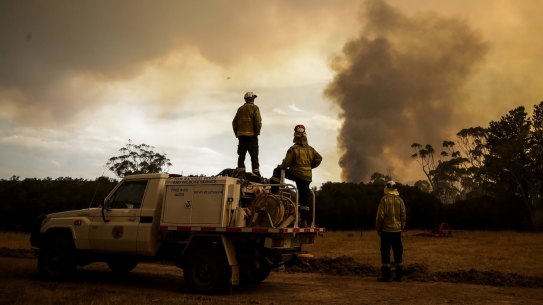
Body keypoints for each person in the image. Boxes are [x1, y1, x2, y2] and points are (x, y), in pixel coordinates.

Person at [270, 124, 322, 227]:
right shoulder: (311, 149)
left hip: (297, 174)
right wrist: (310, 167)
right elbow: (319, 158)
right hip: (307, 177)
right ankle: (304, 222)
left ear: (295, 135)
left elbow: (286, 163)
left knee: (277, 171)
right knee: (304, 198)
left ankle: (274, 195)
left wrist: (281, 166)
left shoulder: (293, 149)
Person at [375, 181, 407, 282]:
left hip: (386, 231)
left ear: (387, 188)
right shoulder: (400, 200)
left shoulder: (384, 200)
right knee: (398, 252)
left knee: (385, 252)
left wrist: (378, 228)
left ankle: (386, 276)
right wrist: (401, 227)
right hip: (397, 231)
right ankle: (399, 276)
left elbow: (380, 216)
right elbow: (403, 215)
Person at [232, 92, 262, 176]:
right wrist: (257, 133)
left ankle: (241, 172)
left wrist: (237, 134)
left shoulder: (240, 109)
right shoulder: (255, 108)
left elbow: (234, 123)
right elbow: (258, 122)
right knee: (254, 156)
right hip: (252, 136)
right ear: (252, 99)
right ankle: (255, 173)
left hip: (241, 137)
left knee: (241, 155)